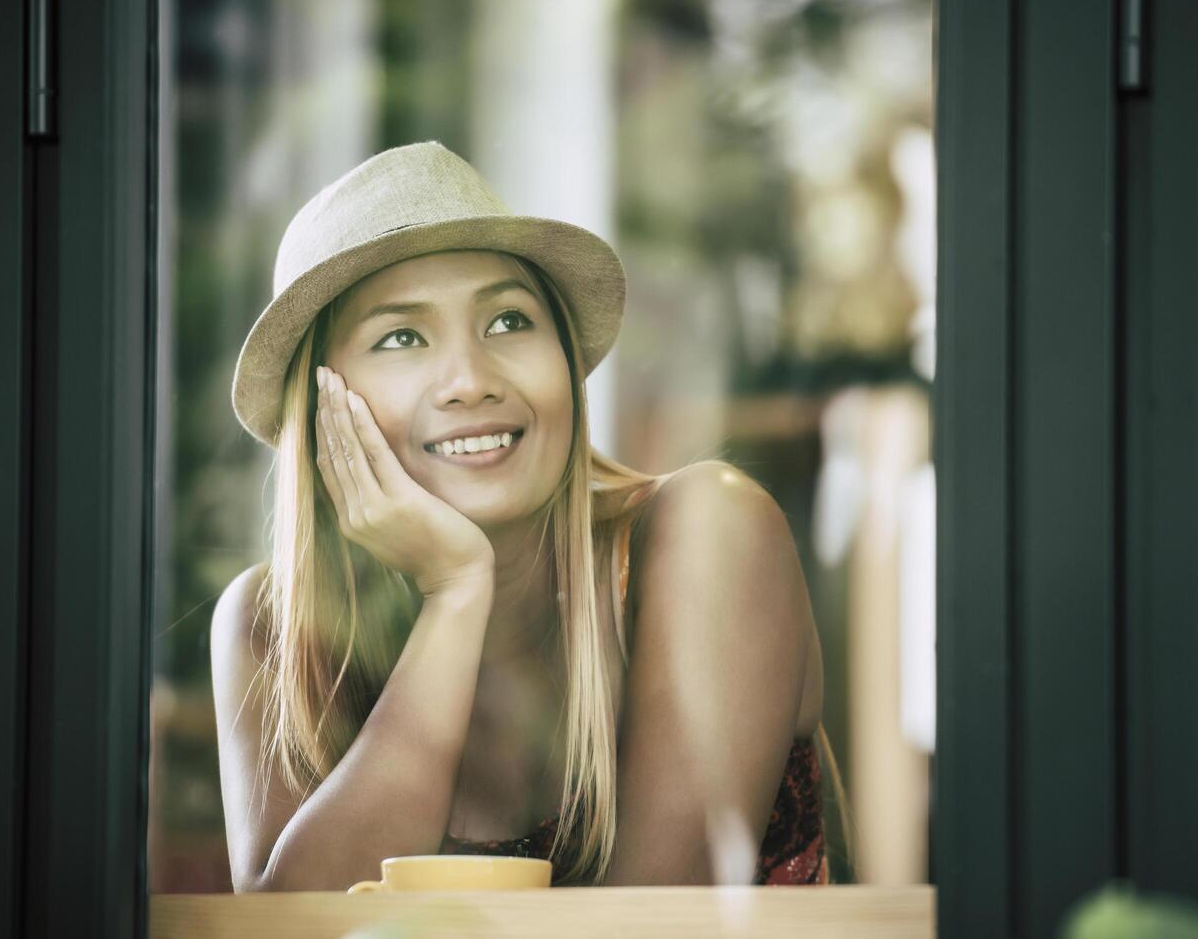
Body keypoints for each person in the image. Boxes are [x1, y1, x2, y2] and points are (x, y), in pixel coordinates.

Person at [211, 141, 847, 890]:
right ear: (319, 408)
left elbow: (656, 929)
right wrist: (454, 595)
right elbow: (292, 931)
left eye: (509, 321)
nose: (471, 381)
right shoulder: (270, 623)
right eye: (402, 337)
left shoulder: (708, 530)